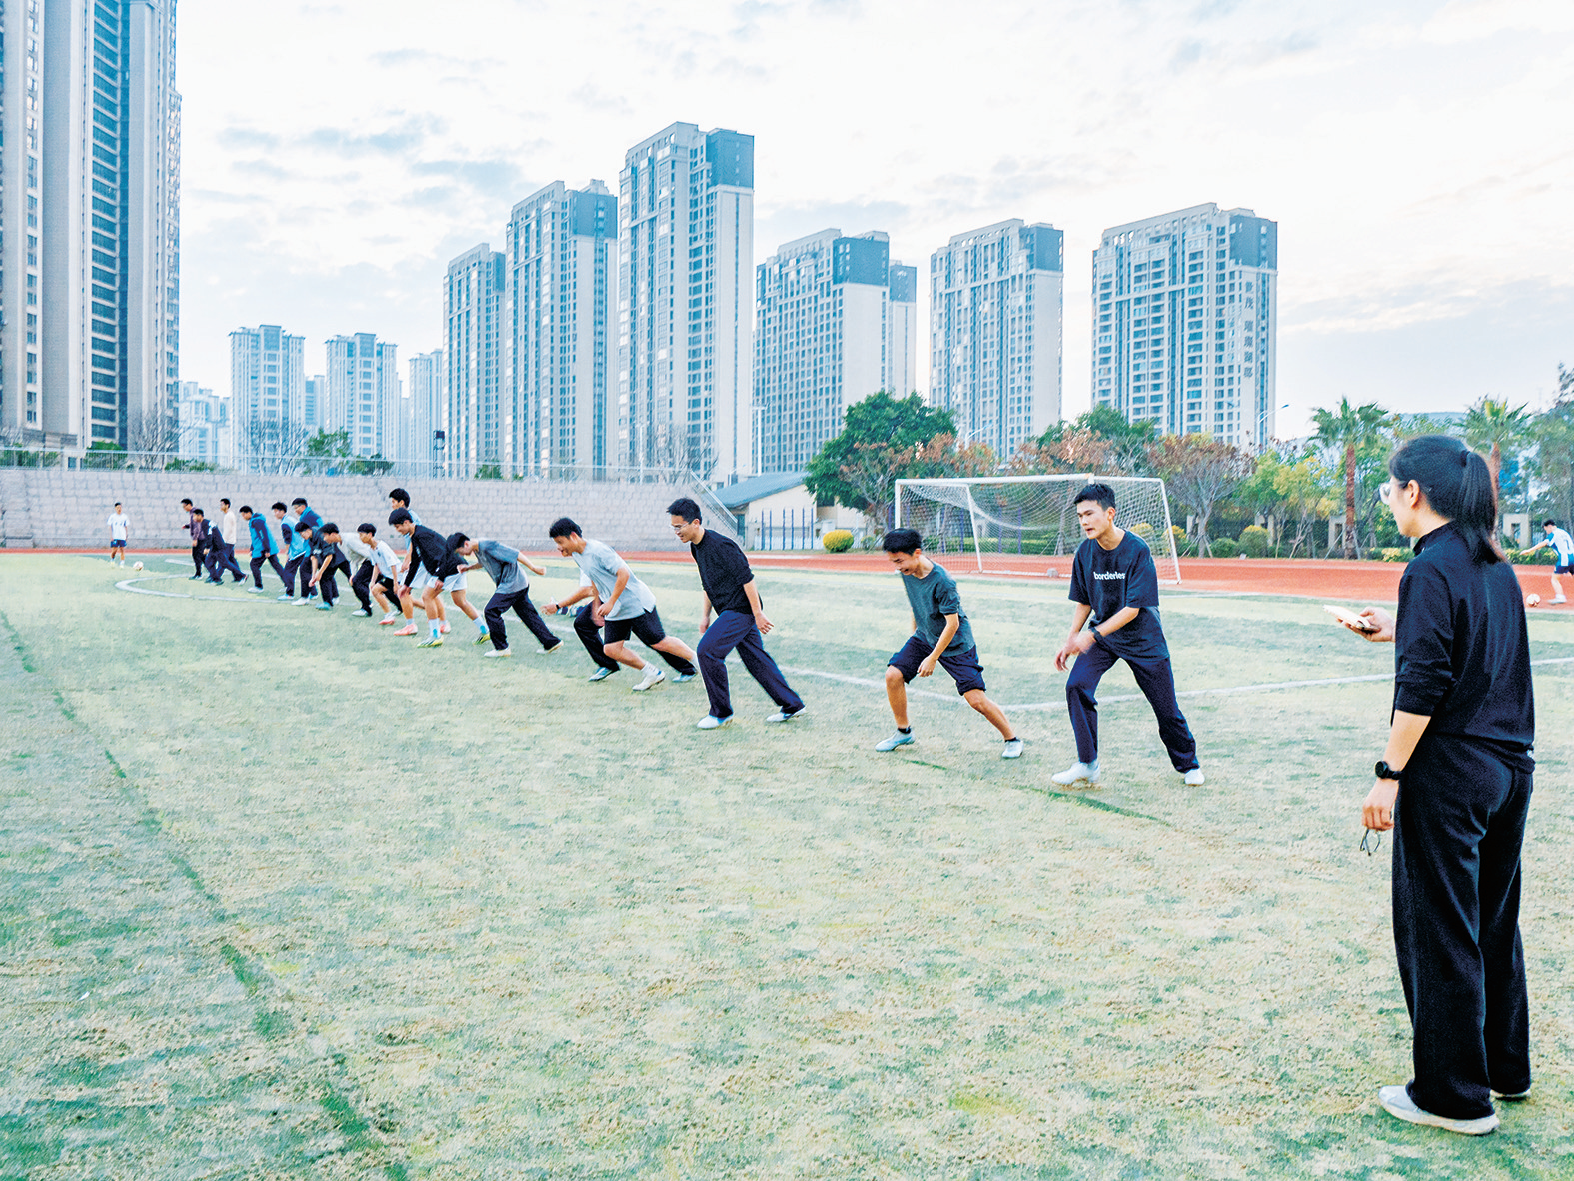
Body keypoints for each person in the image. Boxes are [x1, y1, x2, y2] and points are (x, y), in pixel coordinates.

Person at [1342, 437, 1534, 1137]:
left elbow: (1423, 686)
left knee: (1441, 929)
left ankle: (1454, 1096)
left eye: (1392, 489)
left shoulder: (1427, 569)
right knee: (1492, 921)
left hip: (1450, 773)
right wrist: (1399, 630)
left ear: (1414, 492)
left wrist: (1388, 776)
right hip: (1510, 769)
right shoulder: (1494, 563)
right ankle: (1505, 1070)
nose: (1388, 500)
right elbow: (1471, 647)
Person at [1051, 483, 1203, 787]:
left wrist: (1089, 636)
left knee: (1166, 708)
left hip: (1143, 639)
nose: (1084, 521)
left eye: (1090, 513)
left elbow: (1133, 609)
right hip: (1104, 636)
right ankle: (1087, 763)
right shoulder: (1084, 552)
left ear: (1110, 513)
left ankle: (1189, 765)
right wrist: (1072, 638)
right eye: (1080, 515)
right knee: (1077, 686)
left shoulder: (1137, 549)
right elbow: (1084, 599)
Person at [874, 529, 1020, 758]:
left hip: (956, 644)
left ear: (917, 553)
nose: (897, 567)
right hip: (925, 636)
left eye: (900, 560)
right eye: (893, 562)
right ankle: (904, 732)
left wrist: (932, 657)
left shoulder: (943, 581)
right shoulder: (906, 571)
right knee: (893, 675)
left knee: (975, 700)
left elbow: (951, 624)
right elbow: (916, 604)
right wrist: (915, 636)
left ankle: (1012, 739)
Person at [668, 497, 805, 730]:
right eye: (674, 528)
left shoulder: (721, 546)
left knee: (707, 651)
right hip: (728, 610)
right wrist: (705, 616)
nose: (676, 532)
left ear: (696, 522)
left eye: (679, 527)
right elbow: (708, 584)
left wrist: (758, 614)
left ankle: (721, 713)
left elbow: (747, 579)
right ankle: (792, 704)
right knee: (756, 659)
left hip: (742, 609)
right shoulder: (696, 547)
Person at [542, 518, 698, 691]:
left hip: (635, 601)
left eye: (560, 542)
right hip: (617, 607)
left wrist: (610, 602)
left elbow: (623, 574)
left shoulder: (598, 550)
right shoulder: (578, 555)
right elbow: (594, 578)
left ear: (572, 536)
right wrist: (595, 607)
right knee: (611, 649)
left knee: (658, 642)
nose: (558, 547)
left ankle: (698, 661)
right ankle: (652, 673)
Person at [457, 536, 562, 658]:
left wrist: (534, 568)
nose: (462, 555)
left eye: (460, 552)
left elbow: (515, 554)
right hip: (519, 583)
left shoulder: (487, 545)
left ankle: (502, 648)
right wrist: (469, 568)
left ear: (465, 544)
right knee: (528, 615)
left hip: (512, 584)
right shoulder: (477, 550)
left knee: (491, 611)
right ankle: (551, 642)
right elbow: (484, 562)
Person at [389, 508, 453, 645]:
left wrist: (440, 577)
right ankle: (484, 631)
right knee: (461, 602)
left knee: (427, 596)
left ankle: (435, 635)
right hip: (450, 567)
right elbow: (416, 561)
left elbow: (441, 556)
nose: (397, 530)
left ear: (406, 523)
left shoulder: (422, 535)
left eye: (398, 527)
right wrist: (406, 585)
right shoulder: (415, 535)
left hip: (450, 568)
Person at [345, 523, 399, 619]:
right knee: (376, 590)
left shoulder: (382, 547)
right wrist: (372, 582)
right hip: (389, 577)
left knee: (410, 600)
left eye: (361, 535)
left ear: (369, 535)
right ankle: (389, 615)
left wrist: (395, 582)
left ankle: (390, 615)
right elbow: (376, 565)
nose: (360, 538)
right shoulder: (371, 549)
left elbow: (393, 564)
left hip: (398, 575)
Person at [1520, 518, 1573, 605]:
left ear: (1549, 527)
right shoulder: (1564, 532)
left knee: (1554, 579)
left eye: (1546, 530)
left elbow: (1544, 543)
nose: (1547, 532)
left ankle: (1560, 597)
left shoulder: (1554, 534)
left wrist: (1529, 550)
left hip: (1564, 559)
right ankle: (1560, 597)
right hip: (1573, 557)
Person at [240, 505, 287, 594]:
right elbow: (255, 537)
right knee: (277, 566)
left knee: (254, 565)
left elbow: (263, 535)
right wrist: (252, 548)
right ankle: (288, 584)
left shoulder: (256, 521)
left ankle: (258, 587)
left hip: (264, 548)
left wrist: (267, 550)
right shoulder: (255, 520)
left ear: (249, 513)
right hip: (267, 547)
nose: (243, 517)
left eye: (243, 515)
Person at [308, 522, 353, 611]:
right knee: (324, 578)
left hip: (340, 559)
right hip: (330, 562)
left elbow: (329, 556)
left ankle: (367, 602)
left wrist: (320, 572)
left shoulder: (322, 537)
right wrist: (314, 574)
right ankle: (327, 602)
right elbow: (314, 557)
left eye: (301, 534)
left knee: (353, 578)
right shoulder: (311, 539)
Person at [277, 502, 313, 603]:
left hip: (297, 551)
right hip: (303, 549)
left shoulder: (285, 523)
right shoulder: (290, 519)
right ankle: (312, 592)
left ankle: (289, 594)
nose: (275, 514)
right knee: (305, 572)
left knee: (288, 571)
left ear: (281, 512)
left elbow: (287, 539)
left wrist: (287, 553)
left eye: (276, 512)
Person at [206, 497, 246, 584]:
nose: (220, 506)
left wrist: (221, 542)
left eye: (222, 505)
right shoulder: (229, 515)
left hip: (227, 542)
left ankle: (216, 577)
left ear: (227, 505)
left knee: (222, 561)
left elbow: (228, 531)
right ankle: (238, 576)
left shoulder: (229, 516)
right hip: (230, 541)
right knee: (231, 560)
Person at [181, 498, 204, 579]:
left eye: (184, 506)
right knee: (202, 557)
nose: (184, 508)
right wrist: (187, 526)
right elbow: (194, 525)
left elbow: (197, 527)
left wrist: (195, 539)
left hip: (199, 538)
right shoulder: (192, 513)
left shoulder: (194, 513)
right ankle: (211, 573)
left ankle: (199, 574)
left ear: (189, 505)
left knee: (196, 556)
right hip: (200, 538)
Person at [107, 502, 130, 566]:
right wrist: (111, 536)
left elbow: (126, 527)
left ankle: (122, 563)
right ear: (115, 508)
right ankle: (112, 560)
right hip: (115, 536)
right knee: (114, 550)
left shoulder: (125, 517)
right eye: (117, 508)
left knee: (122, 549)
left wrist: (126, 536)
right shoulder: (112, 517)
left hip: (122, 536)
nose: (119, 509)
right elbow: (110, 527)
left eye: (120, 508)